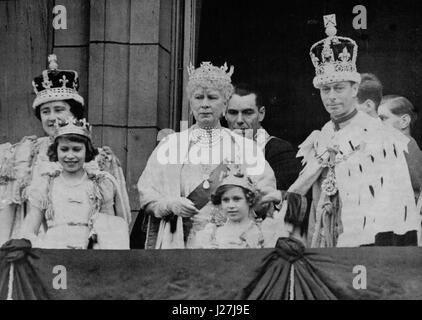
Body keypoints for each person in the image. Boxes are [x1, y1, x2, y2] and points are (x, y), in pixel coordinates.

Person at [277, 14, 419, 247]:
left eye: (339, 88)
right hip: (322, 240)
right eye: (325, 90)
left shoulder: (379, 135)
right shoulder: (322, 136)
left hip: (367, 243)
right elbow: (303, 192)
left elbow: (394, 204)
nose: (331, 97)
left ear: (354, 89)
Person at [134, 62, 277, 249]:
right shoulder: (170, 145)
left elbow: (265, 195)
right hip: (180, 243)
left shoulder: (245, 147)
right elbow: (147, 194)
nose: (205, 105)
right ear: (190, 101)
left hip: (232, 244)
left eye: (212, 97)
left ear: (225, 103)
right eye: (198, 97)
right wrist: (170, 204)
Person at [0, 54, 131, 246]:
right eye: (46, 111)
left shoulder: (100, 158)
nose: (52, 117)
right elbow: (8, 213)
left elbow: (113, 219)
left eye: (59, 109)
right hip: (38, 249)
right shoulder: (23, 154)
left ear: (73, 113)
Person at [19, 117, 129, 249]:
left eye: (76, 149)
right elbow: (29, 230)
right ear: (56, 151)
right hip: (54, 255)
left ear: (87, 151)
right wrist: (44, 246)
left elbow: (110, 229)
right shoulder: (46, 184)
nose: (70, 156)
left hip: (90, 257)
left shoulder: (100, 184)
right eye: (64, 149)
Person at [226, 83, 302, 191]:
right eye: (233, 113)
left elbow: (284, 200)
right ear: (225, 114)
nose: (239, 120)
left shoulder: (279, 150)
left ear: (261, 114)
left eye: (247, 113)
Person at [192, 166, 265, 249]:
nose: (231, 206)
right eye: (226, 200)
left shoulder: (260, 232)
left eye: (237, 199)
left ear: (250, 200)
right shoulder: (212, 232)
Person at [378, 95, 422, 202]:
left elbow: (417, 188)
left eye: (382, 118)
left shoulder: (408, 145)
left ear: (404, 121)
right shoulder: (388, 146)